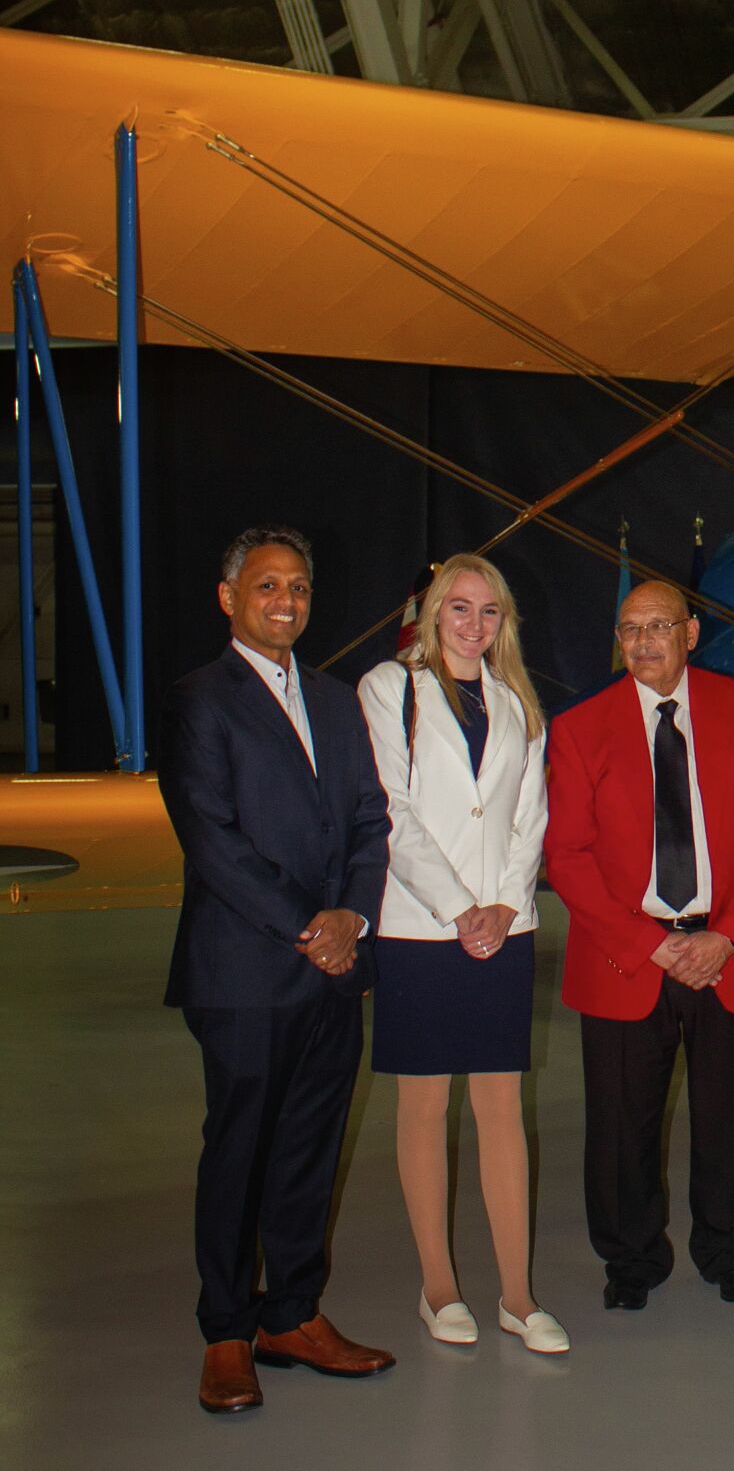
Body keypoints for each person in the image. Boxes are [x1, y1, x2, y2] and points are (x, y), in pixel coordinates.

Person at [158, 527, 394, 1415]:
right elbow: (211, 841)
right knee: (240, 1153)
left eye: (297, 585)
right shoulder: (199, 702)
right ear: (230, 599)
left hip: (331, 972)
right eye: (266, 586)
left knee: (308, 1150)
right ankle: (226, 1329)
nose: (285, 600)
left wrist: (351, 918)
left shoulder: (336, 703)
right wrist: (308, 925)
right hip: (245, 973)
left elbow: (372, 819)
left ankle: (292, 1315)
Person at [543, 579, 734, 1310]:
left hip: (727, 951)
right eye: (630, 629)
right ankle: (630, 1259)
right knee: (621, 1125)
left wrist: (731, 934)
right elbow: (568, 855)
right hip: (627, 958)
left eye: (660, 626)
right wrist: (646, 943)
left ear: (692, 633)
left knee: (732, 1114)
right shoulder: (582, 727)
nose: (645, 641)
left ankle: (726, 1250)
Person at [357, 554, 566, 1355]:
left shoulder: (517, 703)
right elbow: (391, 811)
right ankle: (438, 1287)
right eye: (460, 609)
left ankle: (517, 1295)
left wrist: (507, 903)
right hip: (420, 929)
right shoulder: (390, 689)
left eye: (489, 612)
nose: (474, 624)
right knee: (423, 1108)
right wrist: (458, 908)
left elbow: (530, 816)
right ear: (432, 614)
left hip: (503, 931)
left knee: (501, 1111)